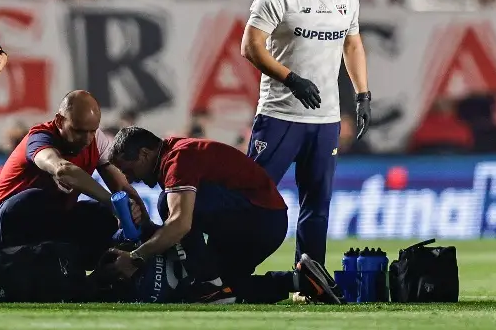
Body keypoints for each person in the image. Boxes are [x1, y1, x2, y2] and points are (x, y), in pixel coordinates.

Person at [240, 0, 371, 269]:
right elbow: (250, 47)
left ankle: (309, 279)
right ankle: (229, 272)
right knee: (252, 197)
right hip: (280, 116)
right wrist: (291, 79)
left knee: (318, 204)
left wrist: (362, 95)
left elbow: (353, 45)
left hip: (325, 119)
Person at [104, 126, 344, 304]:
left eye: (128, 170)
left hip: (259, 220)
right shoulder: (175, 153)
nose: (130, 179)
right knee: (225, 292)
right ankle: (302, 281)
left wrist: (136, 257)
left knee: (168, 205)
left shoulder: (178, 160)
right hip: (261, 221)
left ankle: (207, 281)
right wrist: (146, 226)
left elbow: (180, 224)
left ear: (145, 154)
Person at [0, 90, 147, 269]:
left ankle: (92, 278)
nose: (86, 139)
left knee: (103, 217)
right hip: (0, 224)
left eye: (92, 131)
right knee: (33, 199)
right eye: (78, 131)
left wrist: (142, 223)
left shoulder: (96, 141)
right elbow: (62, 169)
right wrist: (110, 202)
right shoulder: (40, 138)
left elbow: (122, 188)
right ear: (60, 121)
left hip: (49, 220)